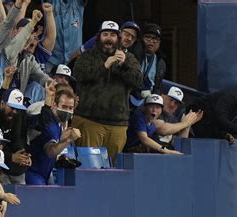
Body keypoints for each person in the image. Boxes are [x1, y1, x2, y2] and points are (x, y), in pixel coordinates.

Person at [71, 21, 142, 163]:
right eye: (105, 34)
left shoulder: (129, 59)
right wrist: (104, 66)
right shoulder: (88, 56)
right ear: (99, 37)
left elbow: (137, 81)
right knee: (88, 168)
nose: (109, 38)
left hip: (118, 124)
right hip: (89, 121)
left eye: (113, 35)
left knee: (111, 169)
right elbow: (79, 76)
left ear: (118, 39)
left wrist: (123, 66)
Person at [26, 83, 81, 185]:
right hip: (33, 173)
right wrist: (68, 139)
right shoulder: (48, 123)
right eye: (64, 106)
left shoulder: (58, 122)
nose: (67, 111)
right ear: (54, 105)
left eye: (70, 108)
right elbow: (50, 151)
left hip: (45, 172)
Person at [125, 94, 202, 154]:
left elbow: (179, 142)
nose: (154, 110)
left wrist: (188, 125)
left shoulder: (160, 121)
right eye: (151, 106)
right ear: (145, 107)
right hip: (125, 153)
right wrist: (165, 151)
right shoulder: (140, 117)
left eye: (157, 107)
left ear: (161, 110)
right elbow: (145, 138)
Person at [130, 23, 166, 108]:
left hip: (146, 104)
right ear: (141, 39)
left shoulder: (161, 63)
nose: (151, 41)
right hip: (128, 98)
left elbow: (157, 87)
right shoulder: (132, 54)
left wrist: (154, 101)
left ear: (159, 43)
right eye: (147, 37)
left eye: (155, 39)